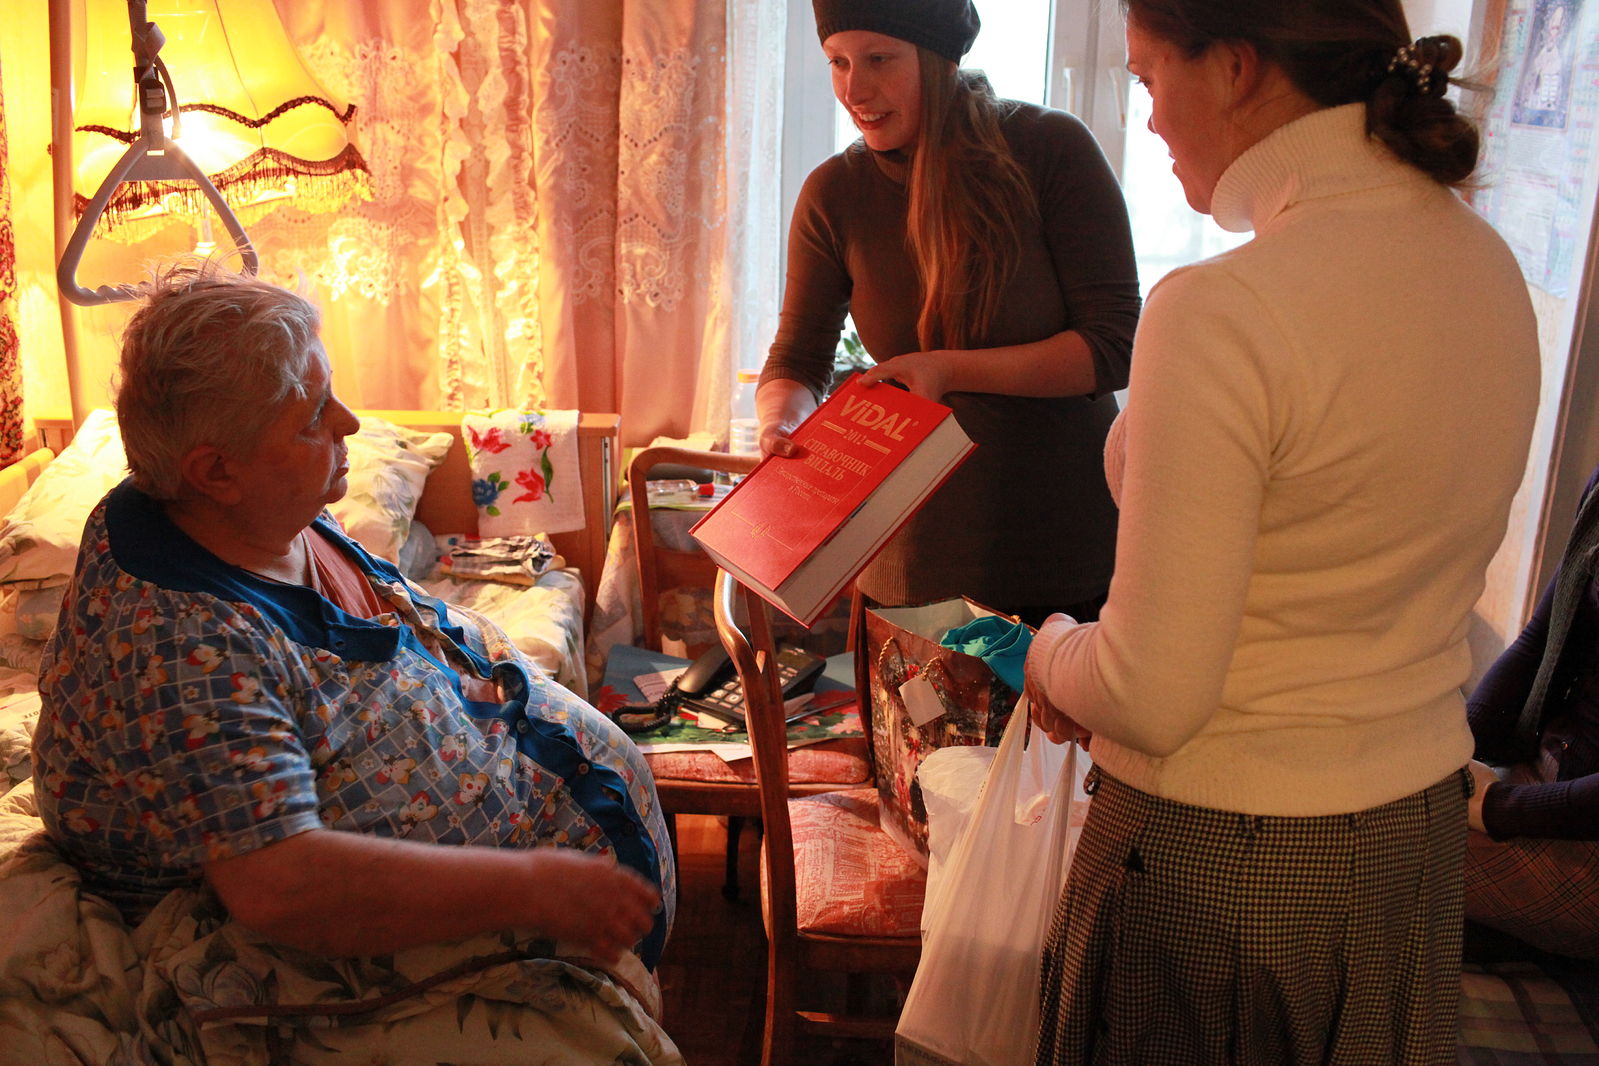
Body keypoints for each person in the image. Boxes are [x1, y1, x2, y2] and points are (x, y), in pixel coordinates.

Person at [1021, 1, 1541, 1062]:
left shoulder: (1223, 310)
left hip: (1221, 866)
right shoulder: (1485, 262)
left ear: (1236, 68)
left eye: (1149, 77)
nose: (1148, 118)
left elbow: (1149, 693)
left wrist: (1045, 651)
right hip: (1408, 841)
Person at [31, 265, 674, 993]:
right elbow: (281, 885)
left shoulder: (261, 510)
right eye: (313, 415)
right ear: (214, 472)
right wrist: (528, 886)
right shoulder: (178, 642)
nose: (349, 422)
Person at [758, 0, 1141, 625]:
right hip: (909, 561)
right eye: (838, 62)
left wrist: (948, 368)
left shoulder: (1050, 148)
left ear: (937, 58)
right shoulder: (834, 192)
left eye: (879, 59)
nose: (854, 90)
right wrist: (783, 423)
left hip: (1065, 552)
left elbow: (1114, 346)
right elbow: (798, 358)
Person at [1464, 464, 1599, 960]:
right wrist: (1454, 754)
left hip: (1583, 824)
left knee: (1363, 846)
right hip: (1554, 778)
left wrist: (1496, 808)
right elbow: (1537, 642)